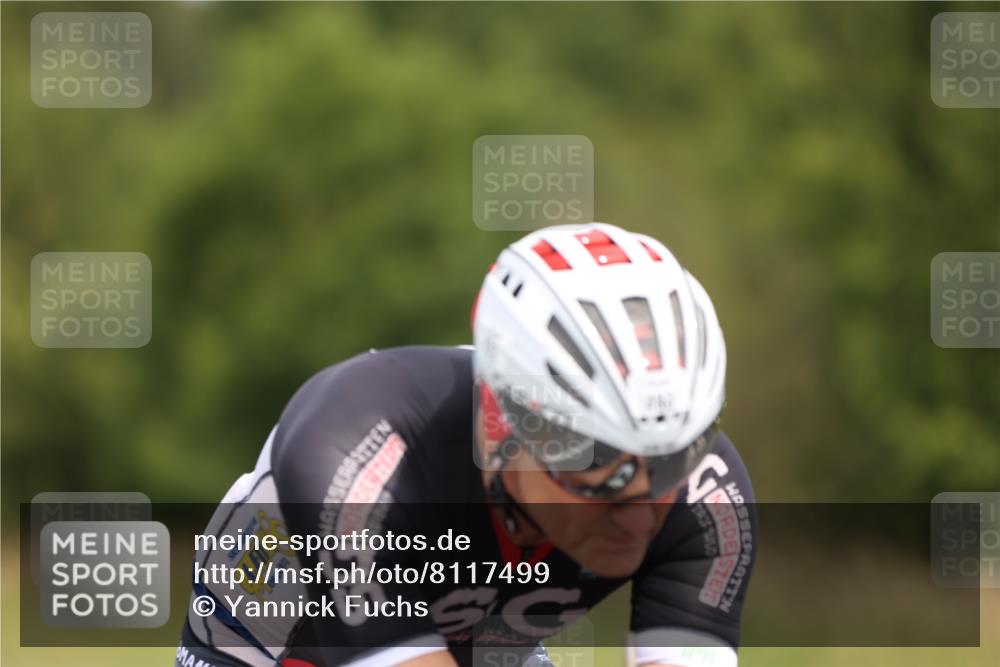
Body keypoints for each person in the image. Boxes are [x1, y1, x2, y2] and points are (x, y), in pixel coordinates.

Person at [176, 223, 757, 667]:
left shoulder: (709, 496)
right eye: (601, 470)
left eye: (670, 462)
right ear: (504, 424)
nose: (639, 513)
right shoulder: (358, 440)